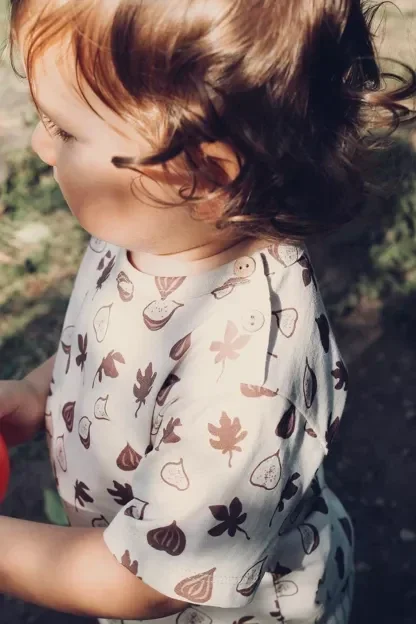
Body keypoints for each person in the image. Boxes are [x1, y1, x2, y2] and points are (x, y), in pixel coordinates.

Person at [0, 1, 414, 622]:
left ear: (202, 176)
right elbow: (112, 343)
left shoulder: (247, 376)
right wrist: (38, 394)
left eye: (64, 130)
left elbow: (143, 581)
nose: (39, 145)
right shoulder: (148, 227)